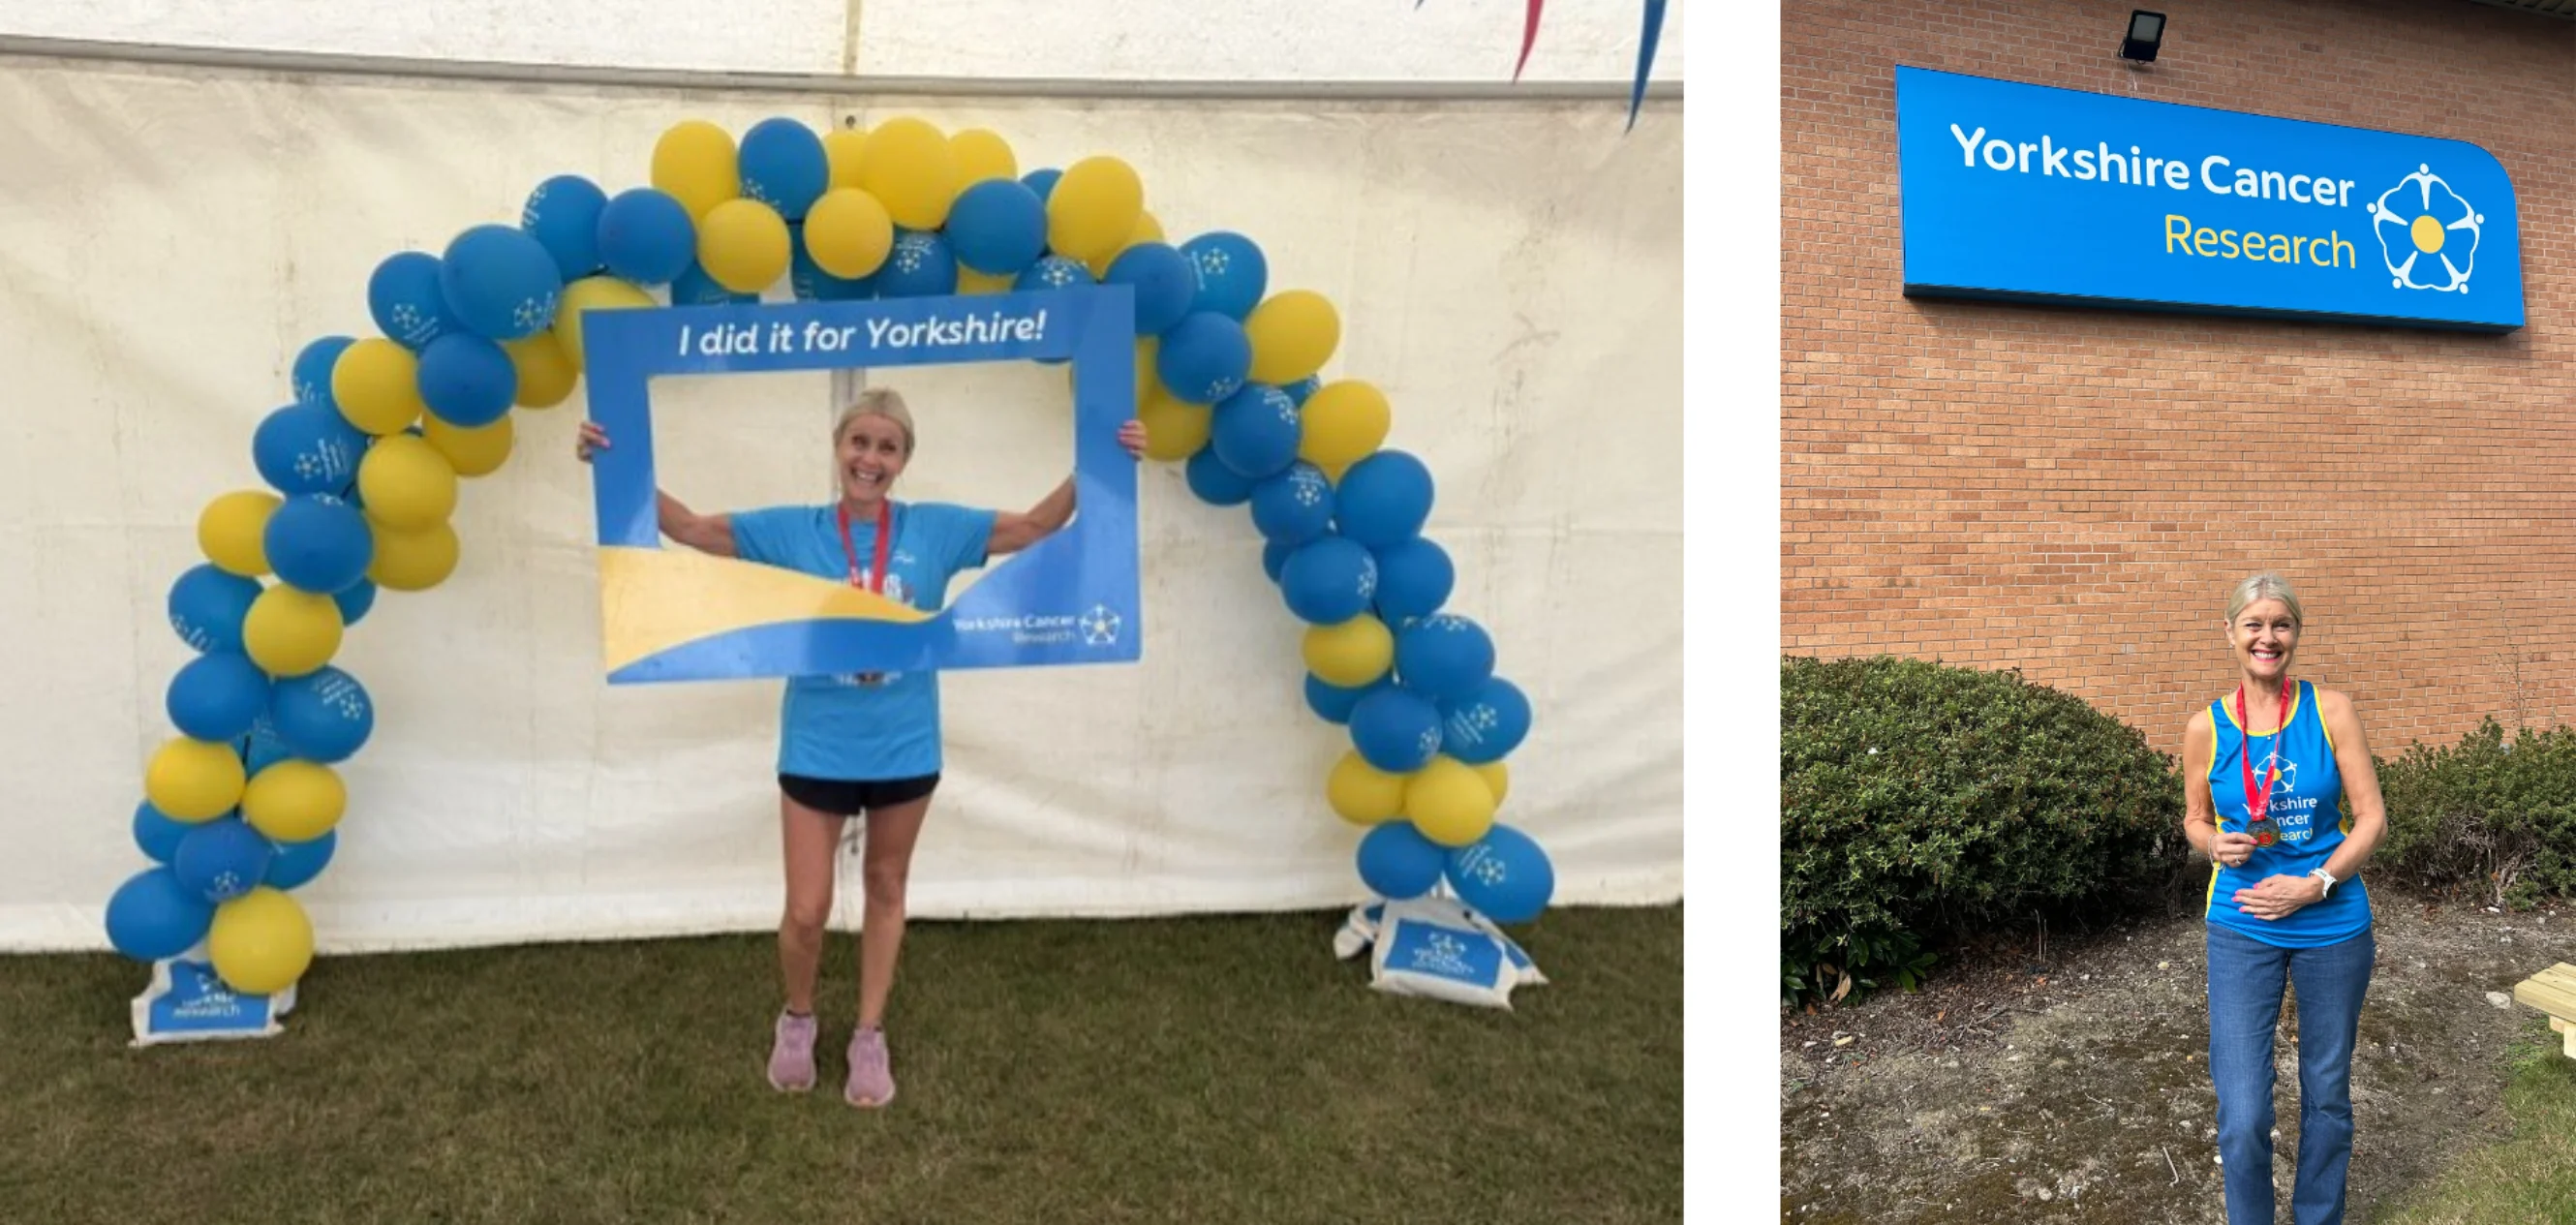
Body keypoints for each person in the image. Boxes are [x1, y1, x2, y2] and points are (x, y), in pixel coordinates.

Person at [575, 387, 1147, 1108]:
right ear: (838, 447)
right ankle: (799, 1016)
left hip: (905, 744)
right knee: (807, 908)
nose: (870, 458)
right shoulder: (793, 530)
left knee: (885, 886)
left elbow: (1036, 526)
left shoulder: (935, 530)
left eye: (887, 447)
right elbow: (688, 527)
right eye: (859, 442)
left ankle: (868, 1033)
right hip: (817, 742)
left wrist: (1100, 461)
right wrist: (612, 462)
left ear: (904, 460)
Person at [2179, 572, 2387, 1225]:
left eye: (2281, 624)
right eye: (2254, 624)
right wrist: (2214, 843)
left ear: (2295, 632)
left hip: (2332, 920)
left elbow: (2372, 816)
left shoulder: (2331, 710)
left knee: (2326, 1092)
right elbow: (2193, 818)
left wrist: (2318, 881)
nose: (2267, 637)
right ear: (2231, 633)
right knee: (2243, 1112)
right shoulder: (2205, 726)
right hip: (2242, 923)